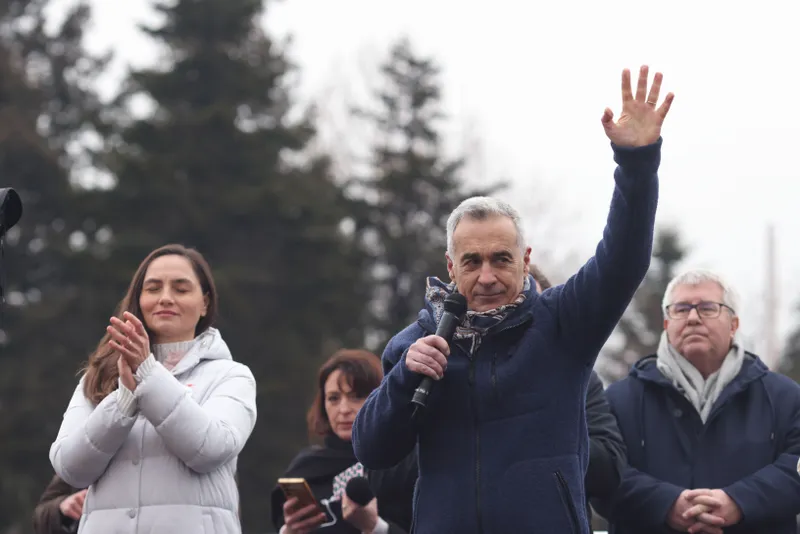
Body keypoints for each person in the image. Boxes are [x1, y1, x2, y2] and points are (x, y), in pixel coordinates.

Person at [351, 65, 674, 534]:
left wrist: (637, 163)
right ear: (449, 266)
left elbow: (623, 261)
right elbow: (372, 449)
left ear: (525, 260)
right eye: (472, 261)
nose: (486, 276)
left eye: (501, 259)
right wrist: (404, 380)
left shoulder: (564, 323)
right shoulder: (416, 344)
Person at [49, 244, 257, 533]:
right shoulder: (99, 375)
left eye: (181, 289)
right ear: (139, 299)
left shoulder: (232, 376)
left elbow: (210, 448)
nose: (166, 298)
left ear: (205, 303)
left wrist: (147, 373)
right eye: (153, 288)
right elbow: (70, 467)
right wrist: (122, 402)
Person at [602, 269, 800, 534]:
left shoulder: (784, 398)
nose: (693, 318)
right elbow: (599, 476)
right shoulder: (618, 401)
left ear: (734, 325)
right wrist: (667, 504)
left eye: (708, 308)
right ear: (666, 324)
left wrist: (739, 501)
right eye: (681, 309)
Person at [271, 350, 416, 534]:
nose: (344, 409)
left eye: (356, 396)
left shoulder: (403, 462)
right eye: (333, 398)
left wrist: (375, 527)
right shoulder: (305, 468)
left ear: (381, 398)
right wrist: (288, 531)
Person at [530, 265, 626, 525]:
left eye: (532, 306)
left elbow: (609, 470)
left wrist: (547, 426)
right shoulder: (453, 371)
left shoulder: (580, 378)